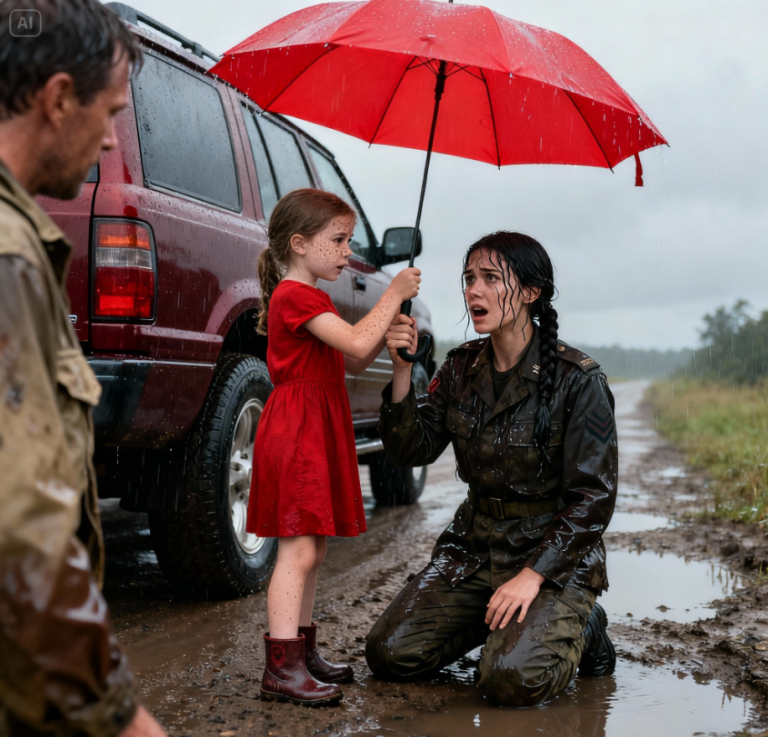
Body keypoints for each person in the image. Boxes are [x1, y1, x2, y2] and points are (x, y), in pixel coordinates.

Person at [0, 1, 166, 735]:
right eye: (109, 112)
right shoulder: (9, 258)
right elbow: (22, 532)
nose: (108, 139)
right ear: (58, 97)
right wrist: (123, 718)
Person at [366, 231, 618, 707]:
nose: (472, 291)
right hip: (473, 550)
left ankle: (584, 625)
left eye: (489, 279)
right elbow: (409, 452)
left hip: (553, 556)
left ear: (529, 292)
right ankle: (505, 626)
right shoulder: (460, 367)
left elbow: (595, 499)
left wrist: (533, 575)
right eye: (468, 278)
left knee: (508, 681)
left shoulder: (578, 381)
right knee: (389, 654)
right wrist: (400, 371)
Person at [249, 188, 421, 706]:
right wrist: (391, 293)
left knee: (314, 545)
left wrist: (388, 335)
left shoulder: (313, 297)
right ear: (299, 244)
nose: (348, 251)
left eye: (348, 240)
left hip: (316, 424)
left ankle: (301, 653)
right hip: (298, 429)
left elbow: (353, 356)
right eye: (338, 240)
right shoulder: (294, 295)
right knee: (297, 548)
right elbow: (352, 342)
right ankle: (280, 667)